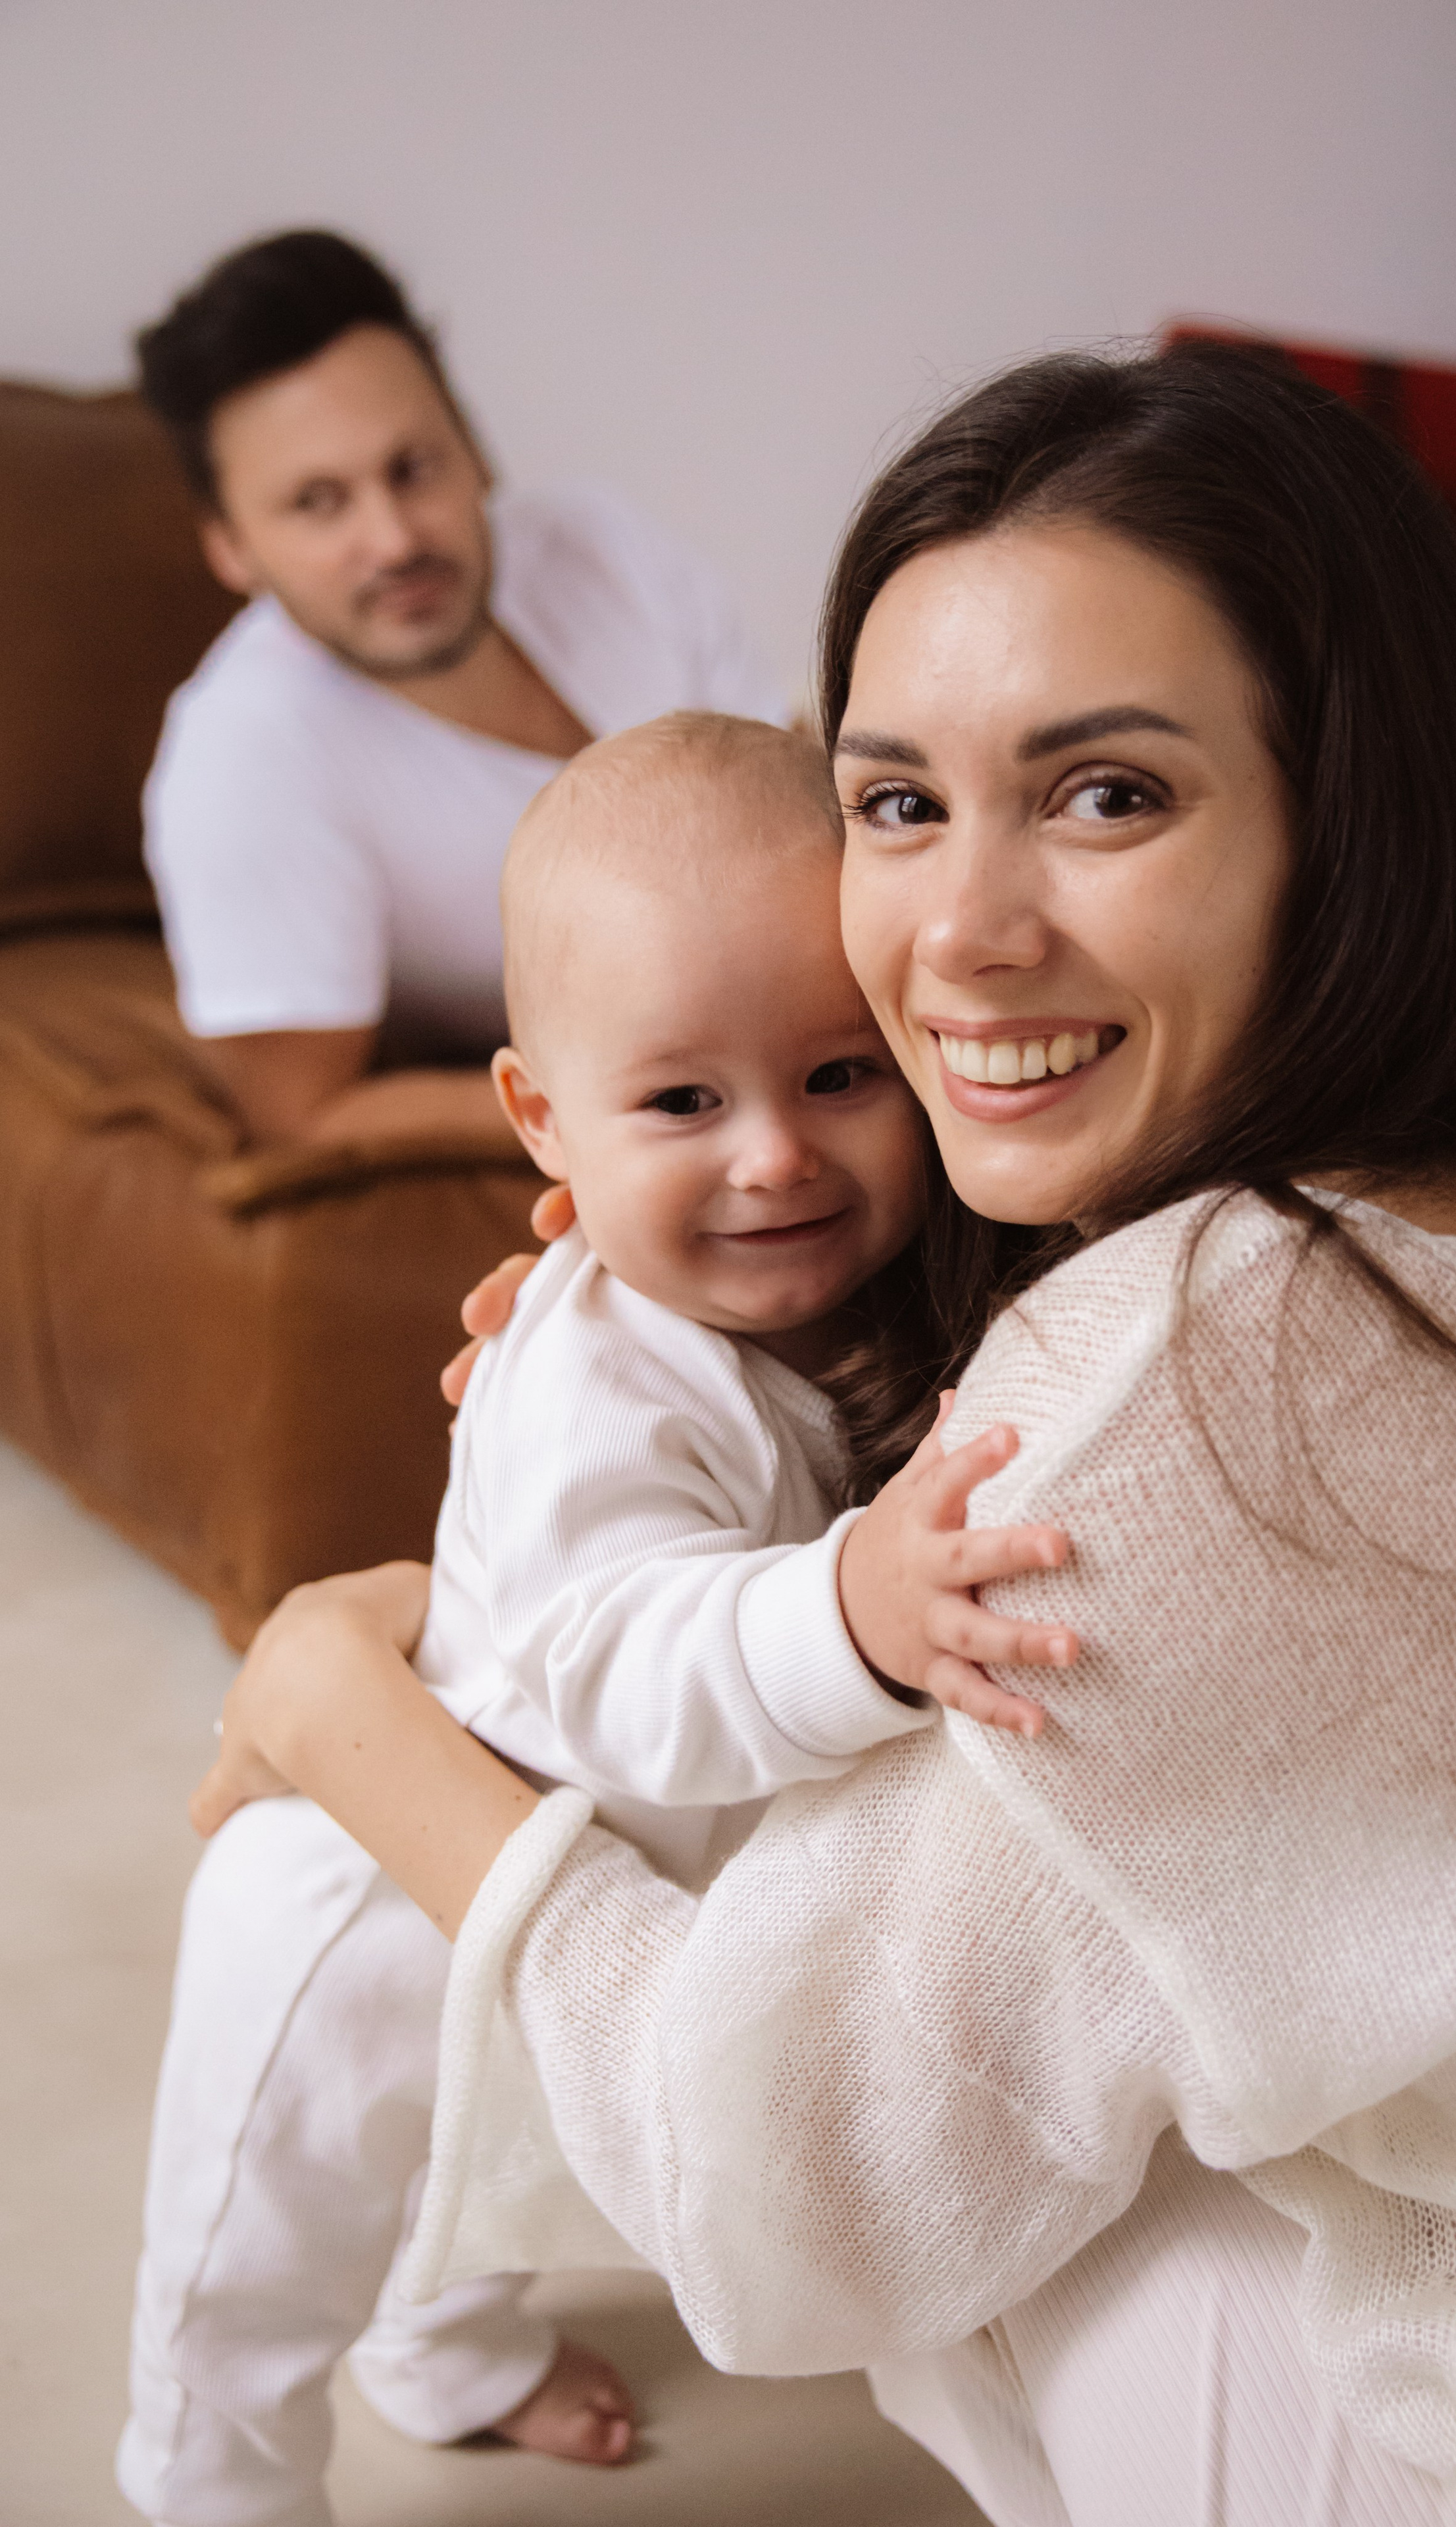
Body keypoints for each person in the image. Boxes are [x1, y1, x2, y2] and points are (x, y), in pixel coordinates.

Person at [192, 343, 1456, 2525]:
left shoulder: (1209, 1398)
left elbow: (761, 2189)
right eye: (896, 802)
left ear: (1349, 821)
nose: (959, 940)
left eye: (1105, 794)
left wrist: (352, 1711)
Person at [122, 713, 1063, 2527]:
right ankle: (204, 2481)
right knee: (259, 2248)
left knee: (490, 2172)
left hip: (599, 1885)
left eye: (839, 1076)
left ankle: (447, 2351)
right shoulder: (591, 1383)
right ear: (543, 1119)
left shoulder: (850, 1303)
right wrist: (851, 1613)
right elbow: (629, 1663)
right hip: (367, 1896)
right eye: (683, 1104)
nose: (775, 1159)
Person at [136, 230, 782, 1143]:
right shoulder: (239, 756)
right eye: (319, 502)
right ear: (231, 547)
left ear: (476, 450)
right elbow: (305, 1115)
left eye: (413, 467)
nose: (395, 539)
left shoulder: (599, 547)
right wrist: (645, 1116)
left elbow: (805, 808)